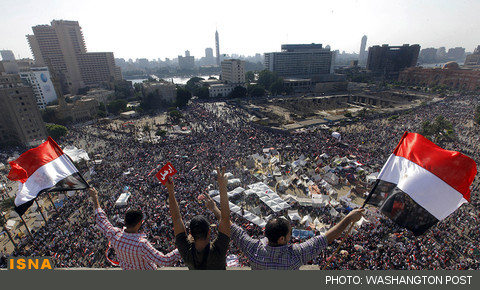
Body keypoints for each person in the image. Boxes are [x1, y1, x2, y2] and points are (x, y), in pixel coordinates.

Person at [230, 208, 365, 270]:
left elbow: (229, 226)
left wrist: (213, 207)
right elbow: (327, 238)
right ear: (282, 239)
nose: (291, 235)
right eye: (290, 233)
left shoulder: (253, 249)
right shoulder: (295, 256)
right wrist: (348, 218)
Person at [88, 187, 180, 270]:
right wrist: (183, 247)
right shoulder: (141, 244)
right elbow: (165, 261)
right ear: (139, 223)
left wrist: (95, 198)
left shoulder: (114, 235)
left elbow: (101, 220)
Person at [165, 166, 230, 270]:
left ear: (190, 234)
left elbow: (177, 219)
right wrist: (222, 187)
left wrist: (170, 191)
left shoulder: (186, 251)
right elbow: (226, 220)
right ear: (209, 232)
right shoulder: (218, 250)